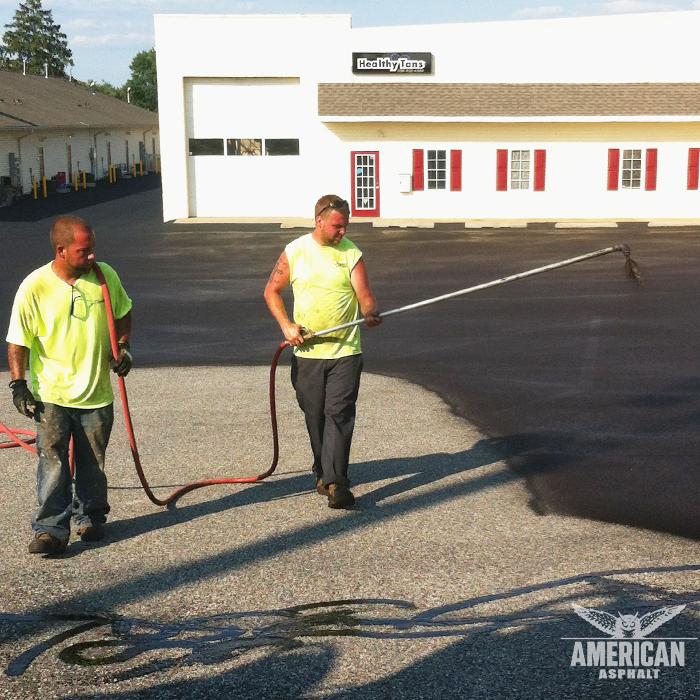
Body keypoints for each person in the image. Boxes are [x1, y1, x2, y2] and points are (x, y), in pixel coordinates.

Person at [6, 215, 133, 554]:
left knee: (93, 463)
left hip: (96, 393)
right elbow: (18, 340)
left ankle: (90, 517)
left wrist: (123, 348)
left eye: (92, 249)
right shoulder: (34, 286)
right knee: (54, 462)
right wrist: (18, 385)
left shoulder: (105, 277)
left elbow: (123, 313)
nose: (92, 256)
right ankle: (51, 529)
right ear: (61, 250)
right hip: (51, 395)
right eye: (84, 251)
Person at [264, 195, 381, 509]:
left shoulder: (351, 254)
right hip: (307, 354)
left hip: (345, 350)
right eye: (337, 226)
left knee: (339, 414)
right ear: (319, 221)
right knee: (314, 416)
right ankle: (322, 469)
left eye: (346, 226)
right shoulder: (295, 251)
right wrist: (287, 325)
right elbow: (271, 291)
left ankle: (336, 483)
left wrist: (369, 311)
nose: (343, 232)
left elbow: (365, 295)